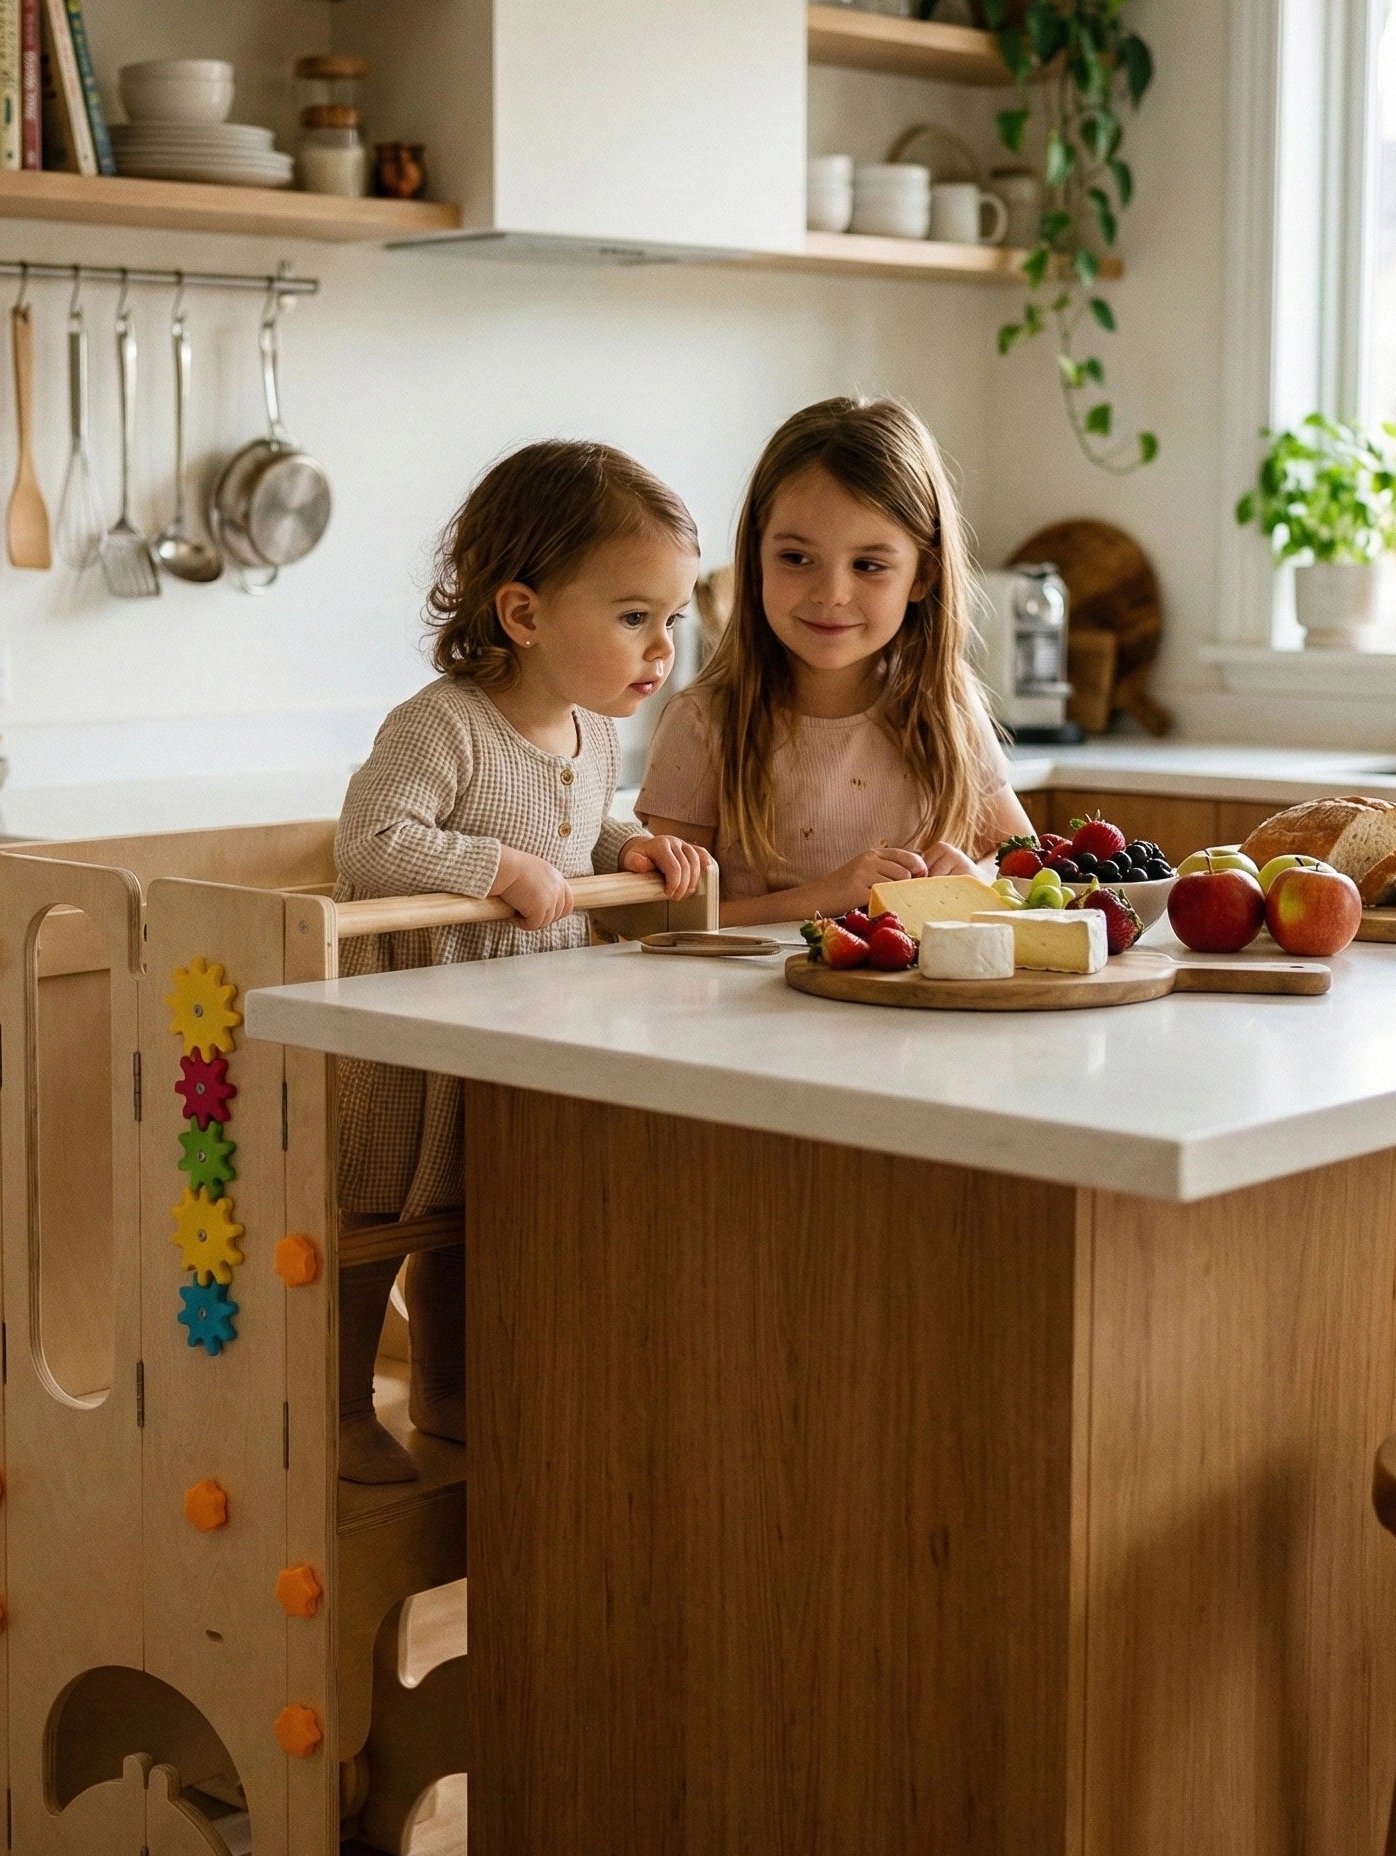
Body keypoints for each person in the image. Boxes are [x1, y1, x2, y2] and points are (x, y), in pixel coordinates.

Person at [333, 440, 710, 1483]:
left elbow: (578, 837)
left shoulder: (594, 734)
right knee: (376, 1221)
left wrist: (626, 850)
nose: (662, 646)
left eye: (671, 618)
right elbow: (368, 844)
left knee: (472, 1220)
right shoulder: (441, 726)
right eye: (635, 615)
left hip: (519, 1033)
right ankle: (337, 1407)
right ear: (523, 613)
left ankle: (452, 1394)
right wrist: (493, 864)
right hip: (409, 1038)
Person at [639, 396, 1034, 926]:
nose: (831, 594)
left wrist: (979, 878)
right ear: (755, 559)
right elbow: (656, 919)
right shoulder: (705, 723)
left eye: (868, 565)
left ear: (923, 575)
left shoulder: (948, 706)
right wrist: (825, 897)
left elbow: (1031, 870)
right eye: (796, 558)